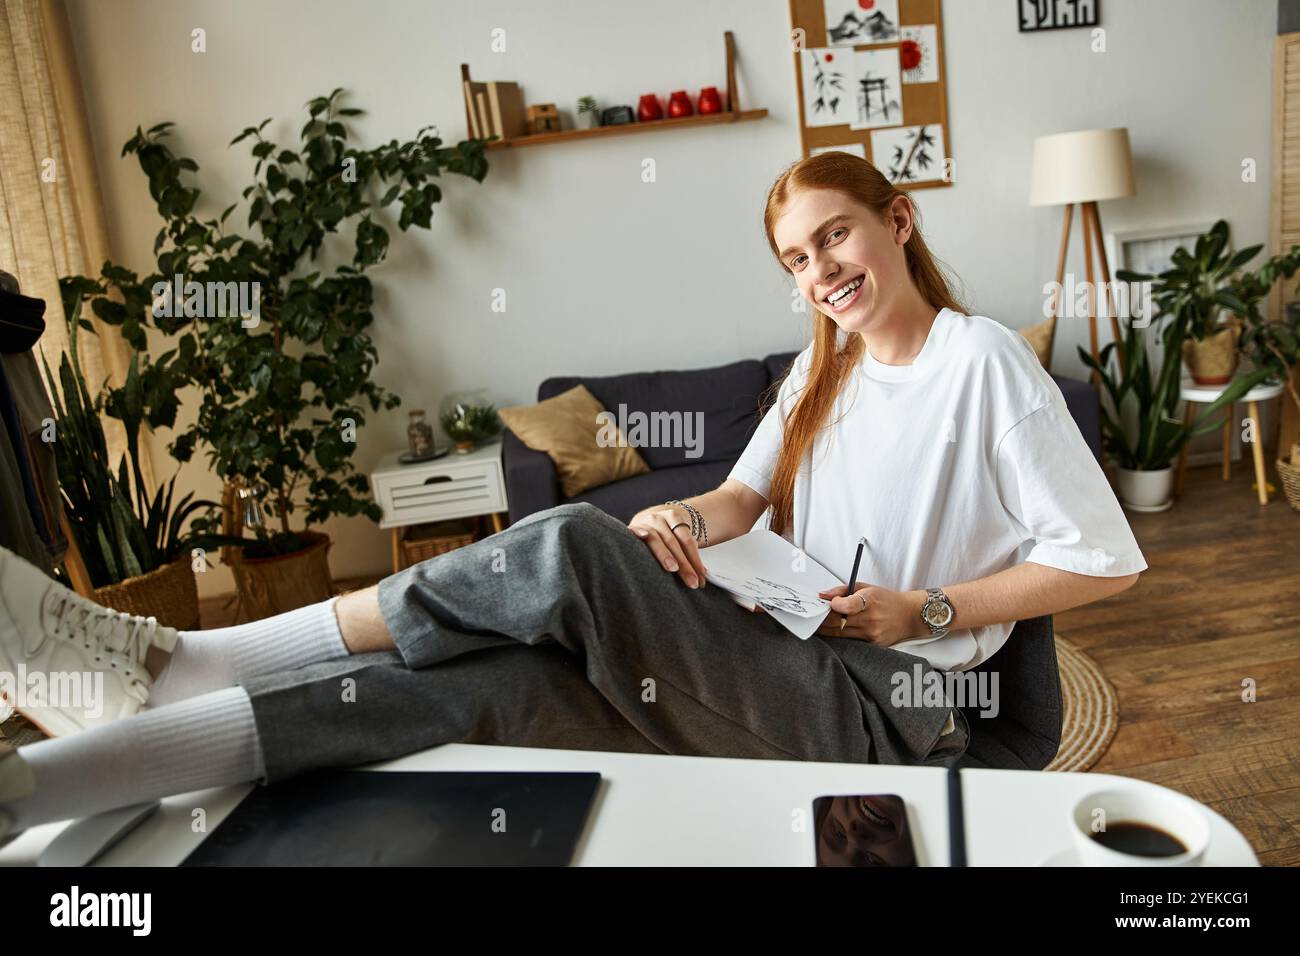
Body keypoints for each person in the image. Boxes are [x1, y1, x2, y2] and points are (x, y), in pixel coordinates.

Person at [0, 152, 1146, 847]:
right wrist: (684, 520)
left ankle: (192, 660)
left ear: (897, 220)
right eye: (796, 258)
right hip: (788, 645)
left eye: (834, 234)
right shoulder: (826, 364)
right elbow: (744, 495)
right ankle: (42, 782)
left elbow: (1105, 560)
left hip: (892, 714)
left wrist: (927, 610)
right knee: (490, 685)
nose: (820, 270)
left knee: (565, 549)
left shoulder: (980, 361)